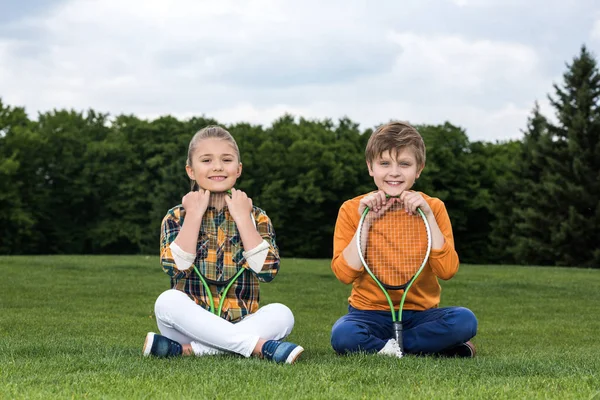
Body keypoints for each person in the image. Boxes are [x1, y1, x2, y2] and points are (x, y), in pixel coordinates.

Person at [143, 125, 303, 364]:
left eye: (226, 160)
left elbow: (267, 272)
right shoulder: (177, 216)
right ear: (191, 170)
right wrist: (194, 215)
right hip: (187, 326)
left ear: (238, 169)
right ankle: (257, 346)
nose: (217, 166)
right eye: (206, 160)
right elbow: (175, 267)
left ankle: (188, 350)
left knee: (283, 314)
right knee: (166, 301)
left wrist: (241, 217)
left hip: (243, 322)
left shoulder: (257, 217)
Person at [330, 121, 477, 358]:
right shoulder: (351, 209)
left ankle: (386, 348)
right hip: (369, 313)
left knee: (465, 321)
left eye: (405, 164)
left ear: (419, 169)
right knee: (343, 335)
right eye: (384, 163)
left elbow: (447, 270)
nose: (394, 172)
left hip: (421, 315)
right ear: (371, 167)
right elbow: (345, 274)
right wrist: (365, 222)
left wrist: (428, 215)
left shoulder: (435, 207)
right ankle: (429, 348)